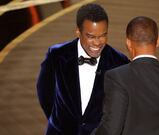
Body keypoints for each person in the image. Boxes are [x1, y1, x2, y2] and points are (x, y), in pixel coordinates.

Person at [36, 3, 129, 135]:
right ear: (78, 32)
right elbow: (44, 92)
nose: (97, 43)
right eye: (91, 36)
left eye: (102, 35)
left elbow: (123, 108)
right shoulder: (56, 55)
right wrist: (59, 121)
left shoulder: (120, 62)